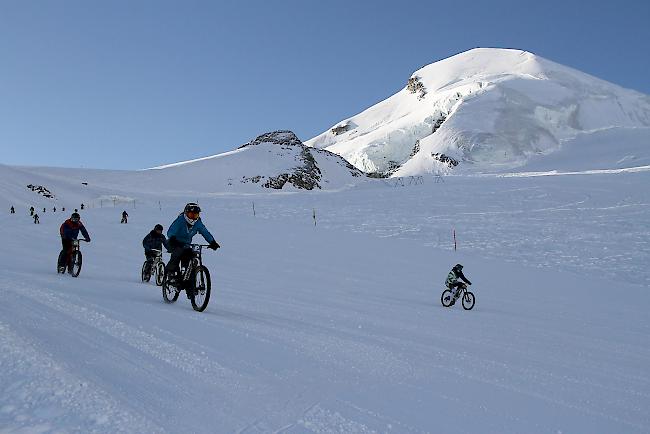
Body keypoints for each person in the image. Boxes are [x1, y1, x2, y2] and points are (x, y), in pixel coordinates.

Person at [166, 203, 219, 296]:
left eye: (196, 215)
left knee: (190, 261)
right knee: (177, 254)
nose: (193, 217)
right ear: (186, 213)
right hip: (174, 242)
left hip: (186, 244)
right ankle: (171, 275)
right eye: (191, 214)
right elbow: (171, 231)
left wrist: (212, 242)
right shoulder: (180, 220)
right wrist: (173, 238)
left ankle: (189, 287)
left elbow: (204, 232)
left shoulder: (198, 222)